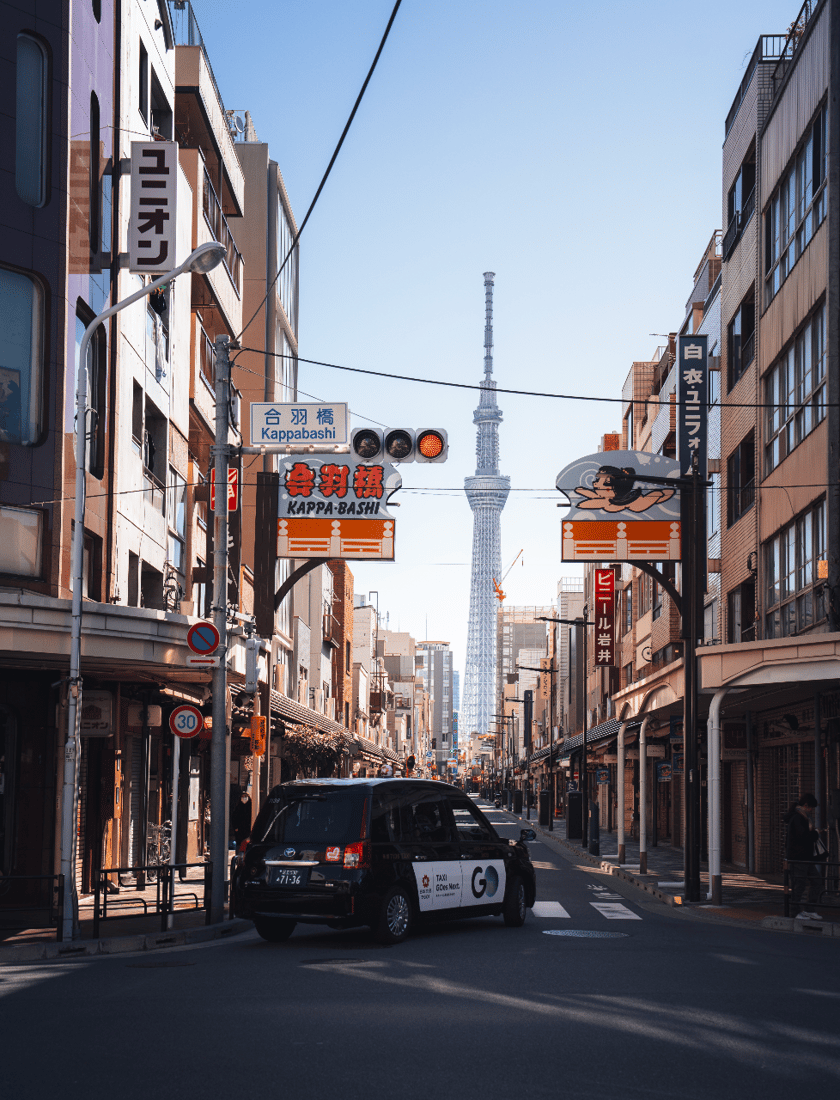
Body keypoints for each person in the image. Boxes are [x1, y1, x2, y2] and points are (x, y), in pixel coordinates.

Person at [784, 793, 823, 919]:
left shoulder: (803, 817)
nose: (811, 810)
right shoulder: (798, 818)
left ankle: (809, 909)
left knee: (816, 881)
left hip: (806, 857)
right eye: (811, 807)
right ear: (806, 805)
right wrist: (815, 834)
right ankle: (795, 912)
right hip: (798, 856)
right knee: (799, 884)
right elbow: (803, 837)